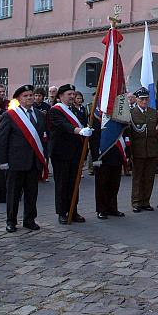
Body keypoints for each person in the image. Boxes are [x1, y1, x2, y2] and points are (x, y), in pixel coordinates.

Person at [0, 85, 48, 233]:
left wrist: (44, 157)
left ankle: (29, 220)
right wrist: (3, 161)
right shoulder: (10, 115)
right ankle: (11, 221)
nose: (29, 98)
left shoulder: (39, 115)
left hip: (34, 162)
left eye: (31, 95)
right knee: (13, 193)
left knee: (32, 193)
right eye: (25, 96)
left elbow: (43, 138)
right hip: (16, 162)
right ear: (18, 99)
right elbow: (2, 140)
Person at [48, 84, 92, 225]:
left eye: (73, 94)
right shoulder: (55, 111)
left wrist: (87, 130)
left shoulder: (77, 110)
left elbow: (84, 124)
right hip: (61, 152)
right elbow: (63, 125)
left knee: (74, 182)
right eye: (69, 94)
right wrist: (79, 131)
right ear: (61, 96)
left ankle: (73, 210)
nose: (72, 96)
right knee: (62, 183)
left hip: (76, 152)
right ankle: (62, 212)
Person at [88, 111, 125, 219]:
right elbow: (94, 138)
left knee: (115, 183)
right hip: (102, 155)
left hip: (116, 152)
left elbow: (123, 131)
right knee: (102, 183)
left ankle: (112, 207)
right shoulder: (96, 115)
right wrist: (96, 158)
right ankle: (101, 209)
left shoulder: (119, 113)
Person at [129, 87, 158, 212]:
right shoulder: (131, 113)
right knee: (138, 177)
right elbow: (130, 133)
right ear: (136, 99)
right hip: (138, 150)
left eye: (146, 99)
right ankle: (136, 202)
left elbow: (157, 131)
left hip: (151, 149)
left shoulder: (153, 112)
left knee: (149, 177)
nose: (144, 101)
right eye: (142, 99)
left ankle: (145, 201)